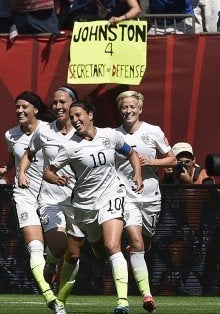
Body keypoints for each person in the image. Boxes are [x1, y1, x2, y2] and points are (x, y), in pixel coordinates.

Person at [43, 99, 143, 314]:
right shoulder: (70, 146)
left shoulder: (110, 135)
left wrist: (137, 173)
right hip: (84, 205)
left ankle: (123, 303)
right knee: (80, 254)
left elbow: (132, 153)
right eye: (72, 117)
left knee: (112, 246)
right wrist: (55, 179)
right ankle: (60, 300)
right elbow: (48, 171)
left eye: (79, 115)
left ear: (90, 114)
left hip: (111, 194)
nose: (75, 120)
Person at [15, 86, 87, 313]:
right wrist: (22, 172)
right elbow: (29, 153)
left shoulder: (85, 133)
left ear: (74, 105)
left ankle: (61, 302)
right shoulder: (44, 131)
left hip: (79, 200)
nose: (58, 107)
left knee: (74, 254)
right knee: (57, 245)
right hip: (50, 199)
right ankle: (50, 262)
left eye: (63, 102)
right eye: (55, 102)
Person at [0, 91, 66, 312]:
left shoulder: (49, 130)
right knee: (35, 247)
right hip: (24, 194)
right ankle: (50, 298)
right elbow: (14, 157)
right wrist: (6, 168)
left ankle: (51, 264)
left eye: (25, 106)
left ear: (35, 109)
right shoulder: (11, 134)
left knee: (59, 247)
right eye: (17, 107)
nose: (20, 111)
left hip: (52, 195)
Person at [113, 91, 176, 313]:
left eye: (132, 107)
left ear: (139, 109)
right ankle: (147, 295)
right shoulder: (114, 135)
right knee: (137, 242)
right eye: (124, 107)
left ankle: (137, 251)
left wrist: (151, 160)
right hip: (126, 197)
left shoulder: (153, 131)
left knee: (145, 241)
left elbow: (172, 159)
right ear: (120, 110)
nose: (128, 111)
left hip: (150, 197)